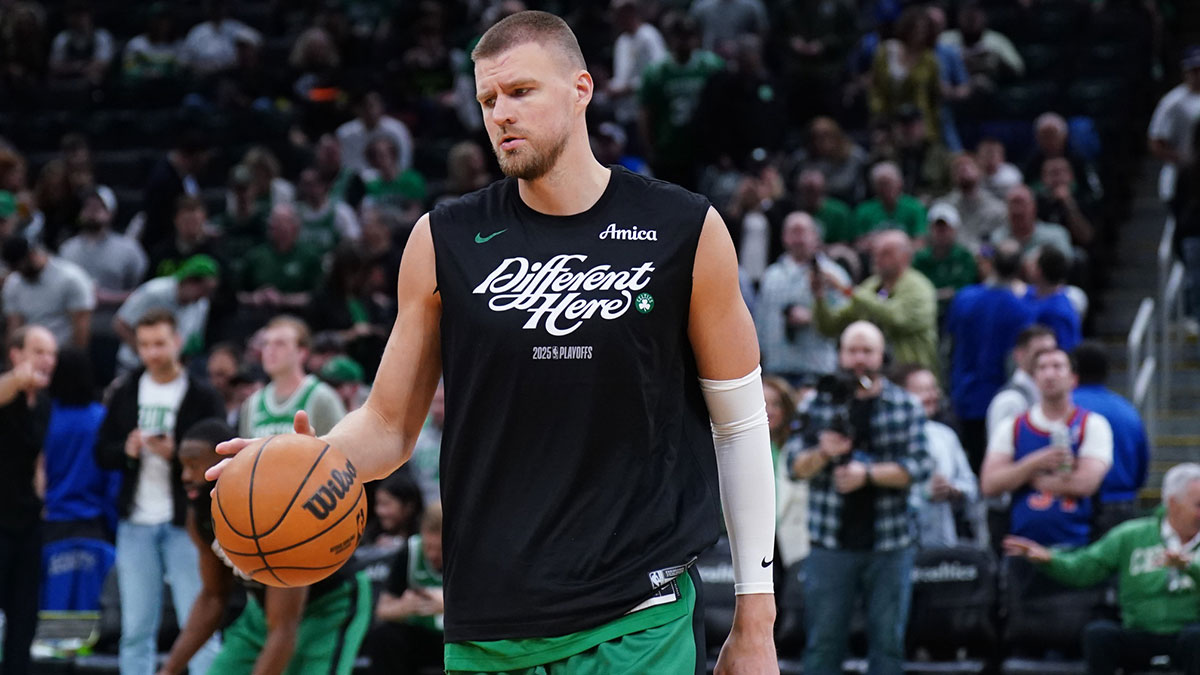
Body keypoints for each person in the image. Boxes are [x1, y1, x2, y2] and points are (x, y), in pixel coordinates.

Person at [213, 11, 778, 675]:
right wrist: (304, 460)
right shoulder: (444, 238)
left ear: (581, 89)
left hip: (638, 617)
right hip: (487, 619)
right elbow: (390, 425)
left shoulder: (683, 228)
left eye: (520, 92)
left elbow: (739, 423)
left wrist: (755, 619)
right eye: (487, 100)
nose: (501, 113)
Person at [157, 417, 372, 675]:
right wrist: (169, 670)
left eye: (194, 465)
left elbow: (284, 628)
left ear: (225, 462)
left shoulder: (269, 510)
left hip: (330, 603)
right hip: (264, 609)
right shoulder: (199, 518)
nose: (186, 476)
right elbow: (213, 596)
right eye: (182, 466)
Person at [789, 321, 933, 675]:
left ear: (883, 356)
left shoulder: (905, 405)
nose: (859, 359)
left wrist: (866, 474)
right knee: (823, 645)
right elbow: (794, 466)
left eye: (867, 351)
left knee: (888, 644)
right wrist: (823, 452)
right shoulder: (818, 403)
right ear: (839, 354)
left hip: (890, 543)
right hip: (830, 543)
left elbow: (920, 467)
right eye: (852, 350)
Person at [94, 310, 223, 675]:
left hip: (188, 523)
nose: (152, 353)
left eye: (160, 344)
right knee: (135, 630)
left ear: (178, 342)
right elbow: (101, 453)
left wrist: (178, 453)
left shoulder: (201, 394)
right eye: (145, 345)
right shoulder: (125, 390)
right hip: (136, 521)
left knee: (199, 625)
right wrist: (127, 451)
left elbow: (221, 451)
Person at [1004, 462, 1200, 675]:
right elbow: (1085, 567)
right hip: (1139, 633)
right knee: (1099, 634)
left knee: (1196, 637)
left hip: (1189, 633)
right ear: (1173, 504)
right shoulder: (1131, 535)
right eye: (1198, 505)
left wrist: (1189, 566)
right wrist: (1050, 559)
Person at [981, 348, 1113, 547]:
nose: (1049, 374)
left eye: (1057, 367)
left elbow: (1085, 484)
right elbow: (990, 484)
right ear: (1034, 379)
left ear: (1073, 379)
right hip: (1021, 544)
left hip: (1078, 547)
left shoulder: (1093, 424)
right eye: (1042, 368)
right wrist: (1035, 463)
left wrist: (1029, 479)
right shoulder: (1012, 426)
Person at [945, 241, 1034, 470]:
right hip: (1000, 398)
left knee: (974, 463)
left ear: (991, 264)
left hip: (965, 395)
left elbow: (949, 345)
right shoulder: (1022, 309)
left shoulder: (964, 298)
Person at [0, 324, 57, 675]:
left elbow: (38, 459)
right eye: (38, 352)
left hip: (28, 521)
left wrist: (42, 498)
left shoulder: (45, 403)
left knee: (24, 617)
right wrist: (16, 379)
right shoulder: (7, 390)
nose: (47, 360)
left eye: (51, 353)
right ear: (16, 354)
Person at [814, 229, 940, 373]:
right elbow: (830, 327)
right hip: (873, 374)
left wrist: (848, 290)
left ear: (905, 257)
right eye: (875, 253)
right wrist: (819, 296)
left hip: (912, 374)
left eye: (886, 253)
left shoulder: (919, 288)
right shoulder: (870, 287)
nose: (877, 259)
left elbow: (898, 318)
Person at [754, 211, 849, 387]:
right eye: (793, 232)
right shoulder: (771, 275)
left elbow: (846, 318)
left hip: (818, 368)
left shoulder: (833, 274)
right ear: (783, 237)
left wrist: (813, 317)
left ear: (816, 236)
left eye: (803, 231)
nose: (798, 239)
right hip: (777, 368)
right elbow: (759, 321)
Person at [896, 363, 980, 549]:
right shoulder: (890, 435)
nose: (931, 396)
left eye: (933, 389)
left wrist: (953, 490)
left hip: (944, 543)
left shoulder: (945, 435)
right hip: (902, 544)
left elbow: (971, 486)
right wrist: (924, 493)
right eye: (922, 390)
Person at [638, 11, 724, 189]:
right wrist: (649, 148)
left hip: (703, 149)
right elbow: (646, 113)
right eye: (679, 37)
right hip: (669, 148)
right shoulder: (656, 73)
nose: (684, 42)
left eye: (688, 36)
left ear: (696, 38)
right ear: (670, 39)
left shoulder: (712, 66)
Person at [1072, 343, 1150, 536]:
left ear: (1071, 371)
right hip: (1122, 507)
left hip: (1074, 507)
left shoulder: (1065, 409)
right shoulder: (1127, 410)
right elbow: (1142, 466)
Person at [43, 346, 118, 542]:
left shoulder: (45, 419)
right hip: (94, 522)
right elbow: (113, 477)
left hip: (49, 521)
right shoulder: (101, 418)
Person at [366, 503, 445, 675]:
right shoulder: (411, 551)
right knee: (383, 635)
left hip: (454, 638)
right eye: (428, 547)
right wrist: (404, 607)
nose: (432, 554)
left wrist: (449, 606)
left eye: (440, 549)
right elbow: (382, 610)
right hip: (420, 638)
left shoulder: (467, 553)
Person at [239, 315, 346, 438]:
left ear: (302, 352)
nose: (270, 350)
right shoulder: (252, 403)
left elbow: (340, 447)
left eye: (280, 344)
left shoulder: (322, 398)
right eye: (266, 344)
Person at [113, 254, 219, 374]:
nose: (204, 296)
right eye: (204, 290)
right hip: (134, 365)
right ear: (189, 281)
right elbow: (120, 324)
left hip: (169, 371)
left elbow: (191, 341)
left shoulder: (201, 304)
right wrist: (149, 355)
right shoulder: (154, 292)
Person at [1, 235, 94, 349]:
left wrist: (76, 356)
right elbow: (14, 325)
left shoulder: (71, 278)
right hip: (29, 351)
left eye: (20, 266)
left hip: (63, 350)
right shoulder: (14, 283)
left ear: (32, 255)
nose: (19, 272)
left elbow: (81, 324)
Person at [764, 375, 808, 566]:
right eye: (763, 403)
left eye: (776, 404)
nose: (769, 411)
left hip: (790, 544)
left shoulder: (798, 447)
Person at [985, 324, 1057, 437]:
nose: (1046, 359)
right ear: (1018, 355)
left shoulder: (1048, 392)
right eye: (1039, 353)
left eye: (1052, 352)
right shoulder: (1010, 400)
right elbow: (1001, 445)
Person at [1150, 47, 1200, 202]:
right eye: (1194, 70)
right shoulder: (1172, 103)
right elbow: (1156, 143)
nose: (1198, 75)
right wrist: (1185, 159)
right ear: (1185, 71)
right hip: (1182, 178)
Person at [607, 0, 666, 123]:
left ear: (630, 12)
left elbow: (659, 71)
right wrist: (611, 86)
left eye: (618, 14)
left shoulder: (648, 35)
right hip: (624, 111)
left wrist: (629, 88)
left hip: (644, 109)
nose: (615, 19)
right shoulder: (622, 41)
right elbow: (622, 76)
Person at [912, 202, 978, 313]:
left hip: (958, 311)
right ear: (930, 229)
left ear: (955, 230)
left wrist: (934, 294)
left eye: (946, 229)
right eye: (938, 229)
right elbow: (915, 290)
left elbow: (966, 290)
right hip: (926, 311)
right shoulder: (920, 259)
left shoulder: (965, 257)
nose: (942, 233)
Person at [941, 153, 1008, 251]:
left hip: (986, 256)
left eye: (968, 166)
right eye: (957, 168)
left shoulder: (997, 208)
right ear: (952, 177)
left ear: (980, 172)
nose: (963, 169)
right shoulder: (944, 208)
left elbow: (1000, 240)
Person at [336, 90, 414, 174]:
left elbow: (404, 160)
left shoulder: (397, 129)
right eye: (364, 106)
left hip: (393, 178)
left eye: (372, 106)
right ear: (356, 109)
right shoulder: (345, 133)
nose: (370, 111)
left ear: (381, 107)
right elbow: (347, 164)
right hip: (359, 179)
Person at [1023, 246, 1082, 353]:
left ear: (1038, 271)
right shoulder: (1033, 293)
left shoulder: (1058, 313)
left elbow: (1065, 352)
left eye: (1032, 263)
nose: (1027, 265)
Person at [989, 185, 1073, 259]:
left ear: (1034, 207)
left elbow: (1067, 262)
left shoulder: (1056, 234)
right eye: (1013, 204)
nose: (1017, 209)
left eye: (1021, 203)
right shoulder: (998, 237)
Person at [852, 162, 927, 242]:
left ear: (900, 183)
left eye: (889, 183)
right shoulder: (864, 210)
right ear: (874, 187)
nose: (886, 188)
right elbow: (858, 242)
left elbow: (920, 240)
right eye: (881, 184)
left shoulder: (915, 207)